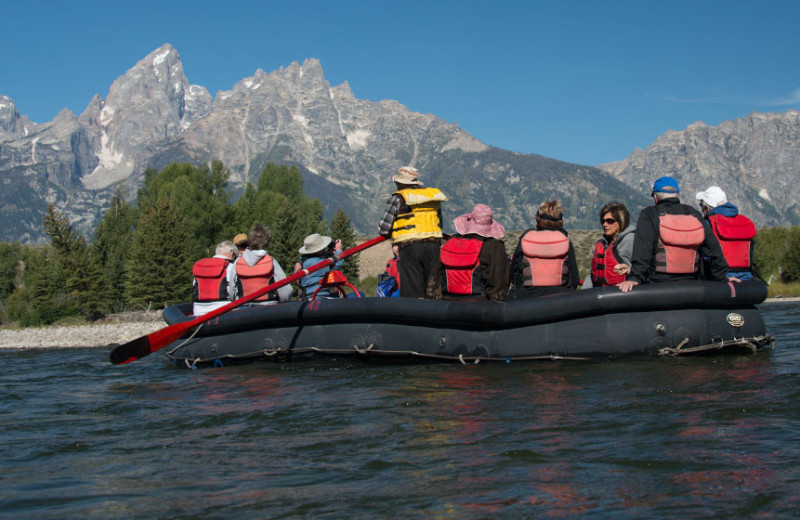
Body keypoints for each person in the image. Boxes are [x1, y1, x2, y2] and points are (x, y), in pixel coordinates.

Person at [619, 176, 733, 293]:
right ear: (677, 195)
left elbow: (643, 250)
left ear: (655, 197)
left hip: (658, 286)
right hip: (692, 285)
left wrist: (635, 278)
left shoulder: (649, 214)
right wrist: (722, 277)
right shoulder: (693, 213)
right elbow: (713, 247)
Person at [378, 166, 447, 298]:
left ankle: (413, 317)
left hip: (409, 248)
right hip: (434, 246)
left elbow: (384, 228)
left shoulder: (398, 198)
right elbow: (439, 224)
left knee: (412, 292)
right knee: (433, 290)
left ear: (399, 183)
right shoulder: (431, 197)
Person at [508, 200, 580, 298]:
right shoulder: (565, 242)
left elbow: (513, 274)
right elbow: (575, 279)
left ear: (538, 219)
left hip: (527, 296)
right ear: (560, 221)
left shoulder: (526, 238)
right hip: (561, 297)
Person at [440, 203, 509, 301]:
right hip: (478, 302)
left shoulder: (450, 242)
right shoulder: (494, 246)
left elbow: (437, 274)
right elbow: (498, 282)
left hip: (446, 301)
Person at [696, 186, 758, 281]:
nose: (701, 209)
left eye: (701, 205)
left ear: (707, 208)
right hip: (747, 277)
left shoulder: (707, 224)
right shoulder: (744, 223)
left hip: (719, 278)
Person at [230, 223, 292, 303]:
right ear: (267, 242)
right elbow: (286, 291)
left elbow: (232, 290)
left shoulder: (238, 262)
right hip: (268, 309)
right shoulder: (272, 262)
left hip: (244, 309)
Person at [583, 202, 636, 288]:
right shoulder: (602, 244)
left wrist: (629, 270)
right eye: (603, 221)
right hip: (600, 294)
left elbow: (642, 268)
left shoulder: (630, 240)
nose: (605, 224)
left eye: (610, 221)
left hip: (622, 294)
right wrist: (583, 294)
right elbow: (592, 273)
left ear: (621, 221)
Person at [191, 240, 237, 316]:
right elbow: (234, 290)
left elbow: (194, 286)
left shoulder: (201, 267)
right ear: (232, 253)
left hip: (198, 310)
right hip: (223, 310)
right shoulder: (231, 267)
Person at [293, 233, 343, 299]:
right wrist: (339, 250)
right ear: (320, 250)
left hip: (307, 298)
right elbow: (337, 264)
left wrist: (331, 253)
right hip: (323, 298)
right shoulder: (322, 263)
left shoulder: (303, 262)